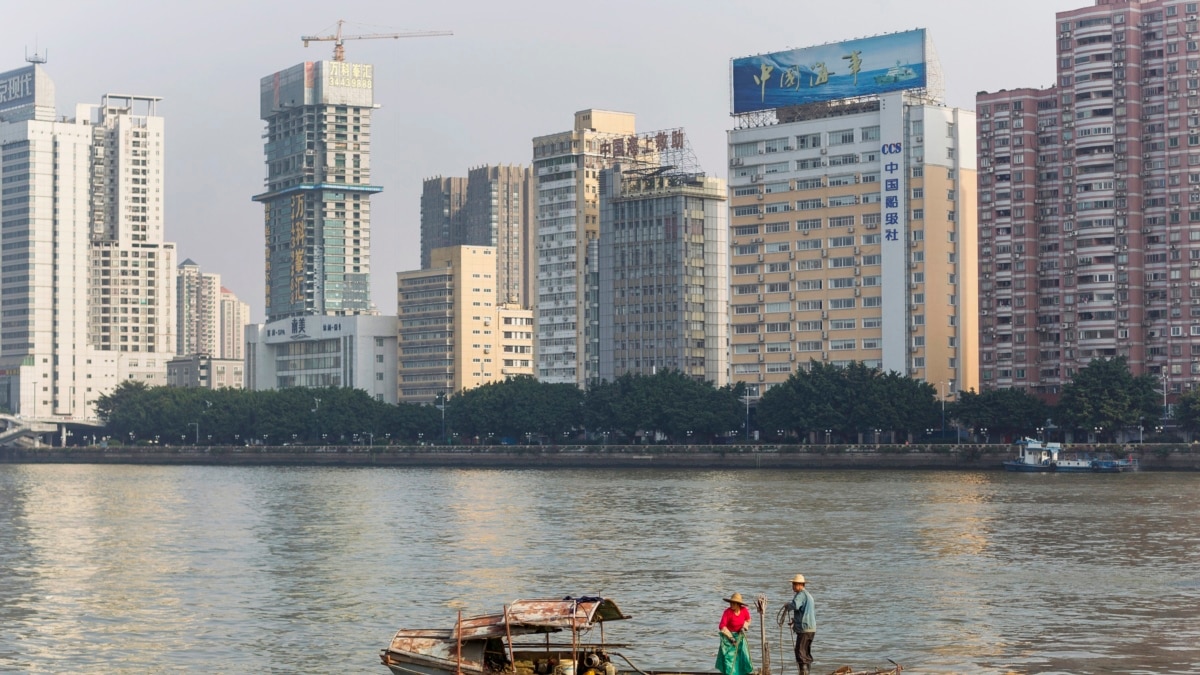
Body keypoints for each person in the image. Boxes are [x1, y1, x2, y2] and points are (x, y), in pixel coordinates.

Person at [715, 592, 753, 675]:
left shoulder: (744, 611)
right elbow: (722, 626)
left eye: (733, 603)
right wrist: (731, 638)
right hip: (729, 637)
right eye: (730, 603)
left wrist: (744, 627)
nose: (731, 604)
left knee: (743, 657)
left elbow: (748, 620)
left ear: (738, 604)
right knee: (729, 659)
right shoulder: (727, 612)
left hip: (740, 636)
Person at [785, 574, 816, 675]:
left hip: (804, 629)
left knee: (800, 653)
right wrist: (795, 620)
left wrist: (787, 605)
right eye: (793, 584)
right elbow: (804, 612)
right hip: (811, 628)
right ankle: (807, 673)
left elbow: (795, 605)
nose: (793, 586)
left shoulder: (801, 595)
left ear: (800, 585)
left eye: (794, 584)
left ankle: (803, 673)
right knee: (806, 653)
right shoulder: (808, 596)